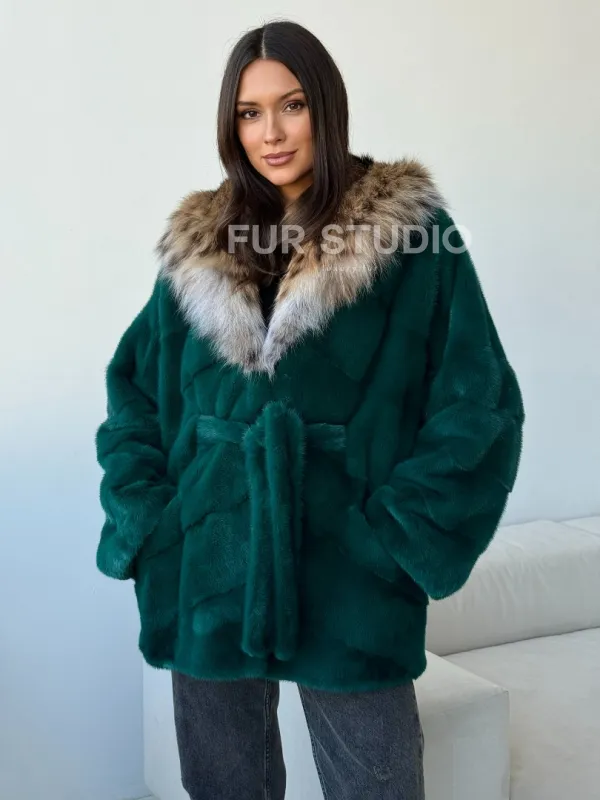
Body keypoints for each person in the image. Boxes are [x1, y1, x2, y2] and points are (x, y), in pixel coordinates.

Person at [94, 19, 525, 800]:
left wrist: (395, 541)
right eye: (249, 113)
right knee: (223, 788)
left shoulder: (410, 238)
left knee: (378, 786)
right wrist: (154, 523)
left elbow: (480, 403)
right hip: (208, 569)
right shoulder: (200, 242)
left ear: (325, 105)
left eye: (291, 105)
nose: (271, 132)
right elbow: (135, 389)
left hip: (350, 572)